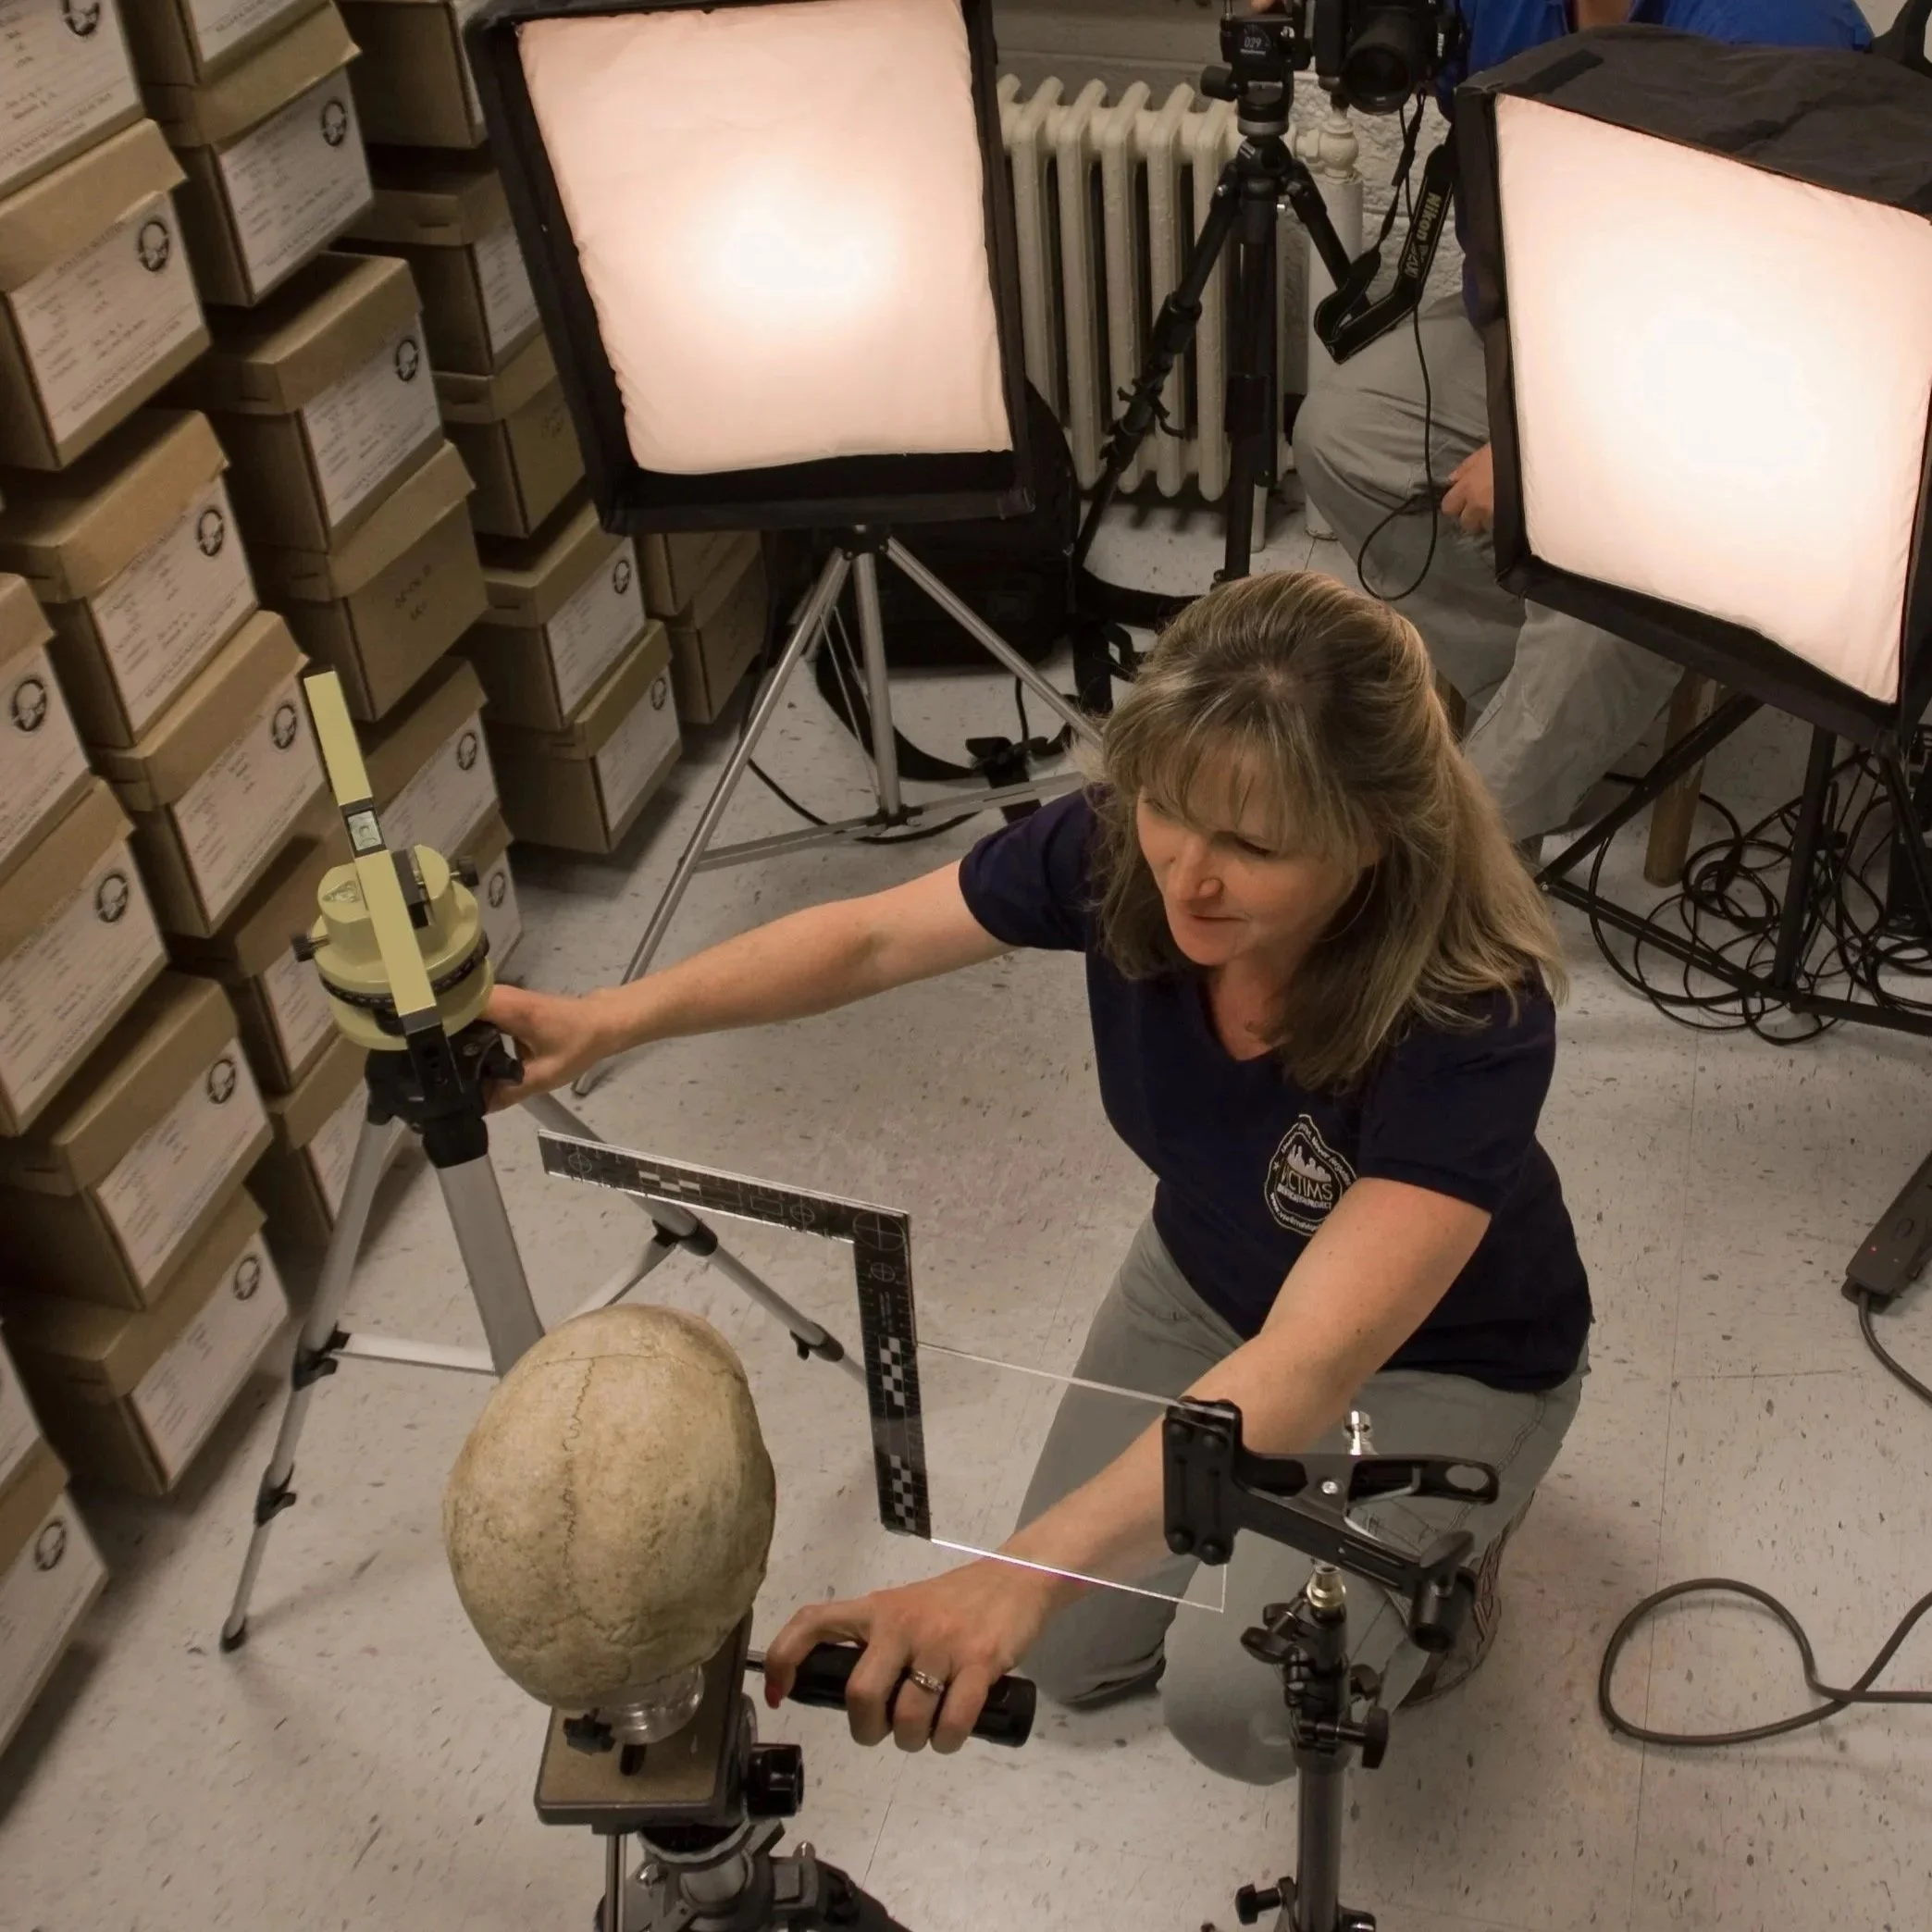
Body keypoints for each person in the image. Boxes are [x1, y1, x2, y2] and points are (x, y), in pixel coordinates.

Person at [488, 573, 1591, 1780]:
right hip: (1209, 1273)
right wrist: (607, 1020)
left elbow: (1310, 1362)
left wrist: (1006, 1583)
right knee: (1066, 1657)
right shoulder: (1124, 848)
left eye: (1253, 845)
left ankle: (1457, 1578)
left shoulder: (1469, 1011)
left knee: (1235, 1707)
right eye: (1170, 808)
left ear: (1373, 836)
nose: (1186, 876)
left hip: (1437, 1361)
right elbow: (869, 937)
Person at [1292, 0, 1874, 843]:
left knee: (1601, 602)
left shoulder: (1780, 25)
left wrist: (1547, 444)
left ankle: (1445, 868)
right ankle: (1553, 713)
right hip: (1543, 321)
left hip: (1731, 383)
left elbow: (1791, 306)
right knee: (1342, 433)